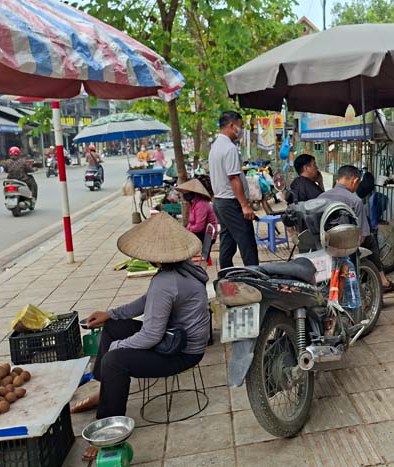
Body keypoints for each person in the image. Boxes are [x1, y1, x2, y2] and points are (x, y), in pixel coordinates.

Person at [70, 213, 210, 461]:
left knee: (115, 360)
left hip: (181, 352)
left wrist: (117, 348)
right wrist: (111, 314)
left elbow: (151, 335)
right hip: (174, 337)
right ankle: (106, 391)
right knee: (113, 327)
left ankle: (107, 429)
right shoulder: (184, 269)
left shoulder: (167, 281)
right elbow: (147, 303)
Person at [319, 165, 394, 293]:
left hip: (323, 244)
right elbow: (362, 236)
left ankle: (382, 280)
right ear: (355, 181)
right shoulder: (355, 201)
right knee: (370, 239)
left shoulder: (321, 197)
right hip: (346, 247)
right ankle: (383, 280)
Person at [209, 111, 258, 268]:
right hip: (231, 202)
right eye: (240, 126)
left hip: (220, 201)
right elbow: (233, 178)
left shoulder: (216, 146)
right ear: (231, 125)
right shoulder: (229, 148)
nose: (241, 130)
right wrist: (244, 205)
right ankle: (255, 277)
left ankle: (225, 276)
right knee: (247, 242)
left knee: (228, 241)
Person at [177, 178, 218, 247]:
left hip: (207, 236)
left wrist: (188, 231)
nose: (185, 194)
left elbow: (199, 227)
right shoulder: (193, 204)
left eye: (186, 192)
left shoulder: (201, 204)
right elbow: (191, 223)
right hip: (199, 233)